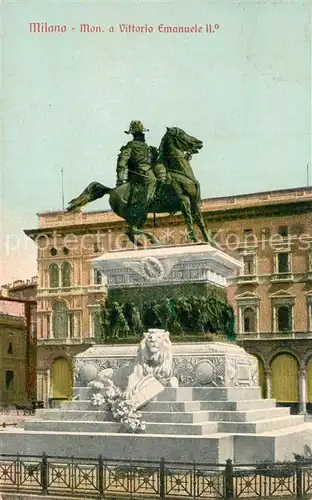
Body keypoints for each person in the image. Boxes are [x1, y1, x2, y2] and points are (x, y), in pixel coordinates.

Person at [116, 120, 166, 219]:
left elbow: (153, 160)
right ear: (134, 134)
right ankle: (145, 204)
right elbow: (122, 161)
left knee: (163, 174)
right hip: (139, 171)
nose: (141, 135)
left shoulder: (146, 146)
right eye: (139, 133)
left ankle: (157, 196)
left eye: (142, 133)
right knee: (151, 179)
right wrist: (120, 178)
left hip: (149, 168)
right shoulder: (130, 146)